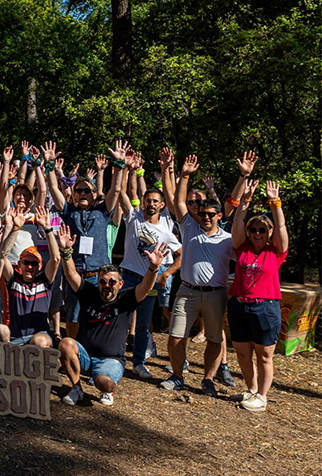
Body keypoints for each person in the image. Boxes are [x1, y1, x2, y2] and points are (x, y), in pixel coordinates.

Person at [57, 224, 168, 406]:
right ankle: (76, 388)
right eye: (102, 281)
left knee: (103, 383)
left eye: (112, 281)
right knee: (65, 343)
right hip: (85, 355)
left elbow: (146, 288)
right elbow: (71, 274)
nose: (107, 285)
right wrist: (66, 251)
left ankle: (107, 388)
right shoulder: (89, 292)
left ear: (120, 284)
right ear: (98, 282)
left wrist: (153, 268)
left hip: (111, 359)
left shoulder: (127, 298)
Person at [160, 154, 235, 396]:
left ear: (219, 216)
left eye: (211, 214)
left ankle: (209, 379)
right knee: (175, 336)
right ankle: (177, 376)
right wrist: (184, 175)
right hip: (187, 291)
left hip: (215, 295)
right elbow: (179, 202)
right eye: (202, 214)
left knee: (214, 339)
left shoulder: (228, 239)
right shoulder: (188, 227)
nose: (206, 218)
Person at [41, 140, 127, 339]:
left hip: (99, 276)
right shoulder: (69, 211)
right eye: (79, 191)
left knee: (98, 317)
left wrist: (120, 165)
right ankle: (72, 350)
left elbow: (115, 190)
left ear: (94, 194)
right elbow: (53, 187)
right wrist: (49, 164)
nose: (82, 193)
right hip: (76, 275)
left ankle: (93, 349)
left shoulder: (103, 211)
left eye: (87, 190)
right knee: (72, 318)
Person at [227, 180, 288, 412]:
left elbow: (281, 229)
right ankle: (252, 390)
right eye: (253, 230)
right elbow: (236, 224)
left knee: (264, 356)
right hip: (239, 306)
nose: (257, 233)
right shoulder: (242, 247)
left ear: (269, 232)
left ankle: (262, 397)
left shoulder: (276, 252)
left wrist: (275, 203)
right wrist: (246, 199)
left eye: (262, 230)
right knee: (242, 353)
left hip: (265, 307)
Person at [117, 186, 182, 379]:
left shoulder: (166, 231)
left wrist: (167, 273)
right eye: (148, 200)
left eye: (155, 201)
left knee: (143, 325)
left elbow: (181, 255)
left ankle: (138, 363)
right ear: (143, 202)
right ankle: (115, 357)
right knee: (120, 320)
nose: (151, 204)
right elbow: (121, 193)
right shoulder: (133, 218)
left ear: (162, 205)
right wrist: (123, 167)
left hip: (150, 280)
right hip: (128, 277)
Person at [0, 205, 60, 347]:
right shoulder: (13, 279)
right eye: (26, 262)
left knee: (39, 341)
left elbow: (55, 259)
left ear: (40, 266)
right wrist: (14, 228)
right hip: (15, 338)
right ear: (20, 264)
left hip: (39, 337)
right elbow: (2, 255)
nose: (30, 266)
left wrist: (48, 229)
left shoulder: (44, 281)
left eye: (34, 263)